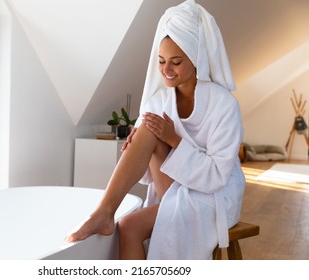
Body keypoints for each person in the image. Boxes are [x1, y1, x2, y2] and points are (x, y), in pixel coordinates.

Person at [66, 0, 245, 260]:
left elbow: (217, 176)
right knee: (148, 128)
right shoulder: (159, 101)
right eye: (161, 61)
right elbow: (145, 171)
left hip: (214, 196)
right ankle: (104, 210)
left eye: (176, 62)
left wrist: (173, 139)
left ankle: (105, 213)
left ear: (196, 59)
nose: (166, 70)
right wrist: (139, 144)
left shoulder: (224, 105)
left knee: (128, 226)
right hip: (173, 187)